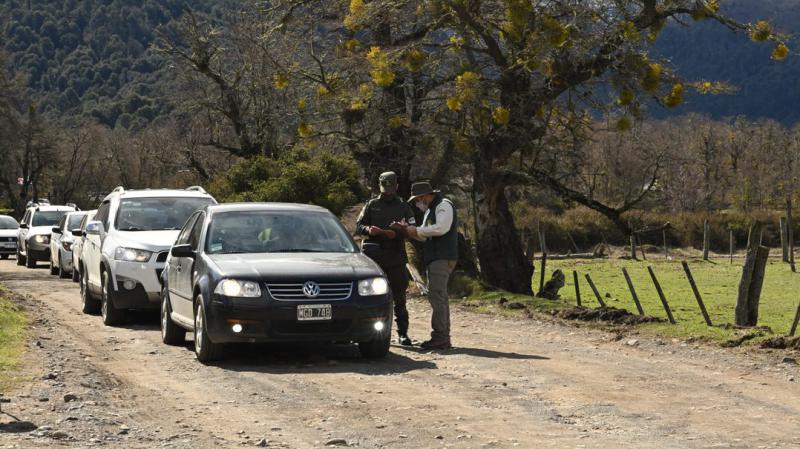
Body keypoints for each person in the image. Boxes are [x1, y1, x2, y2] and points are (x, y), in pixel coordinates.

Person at [356, 172, 416, 346]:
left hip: (395, 255)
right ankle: (372, 332)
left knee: (399, 297)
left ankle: (403, 333)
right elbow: (359, 226)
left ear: (396, 186)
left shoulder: (404, 206)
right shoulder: (371, 205)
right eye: (384, 188)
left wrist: (397, 231)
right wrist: (369, 230)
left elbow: (413, 229)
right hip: (374, 257)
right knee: (373, 295)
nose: (387, 192)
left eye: (390, 188)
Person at [398, 181, 458, 350]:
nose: (417, 203)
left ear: (425, 196)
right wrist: (409, 231)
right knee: (439, 297)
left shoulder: (443, 206)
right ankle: (442, 335)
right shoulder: (431, 210)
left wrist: (415, 230)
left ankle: (440, 337)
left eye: (418, 199)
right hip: (436, 257)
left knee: (437, 296)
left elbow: (441, 229)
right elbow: (424, 236)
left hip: (442, 257)